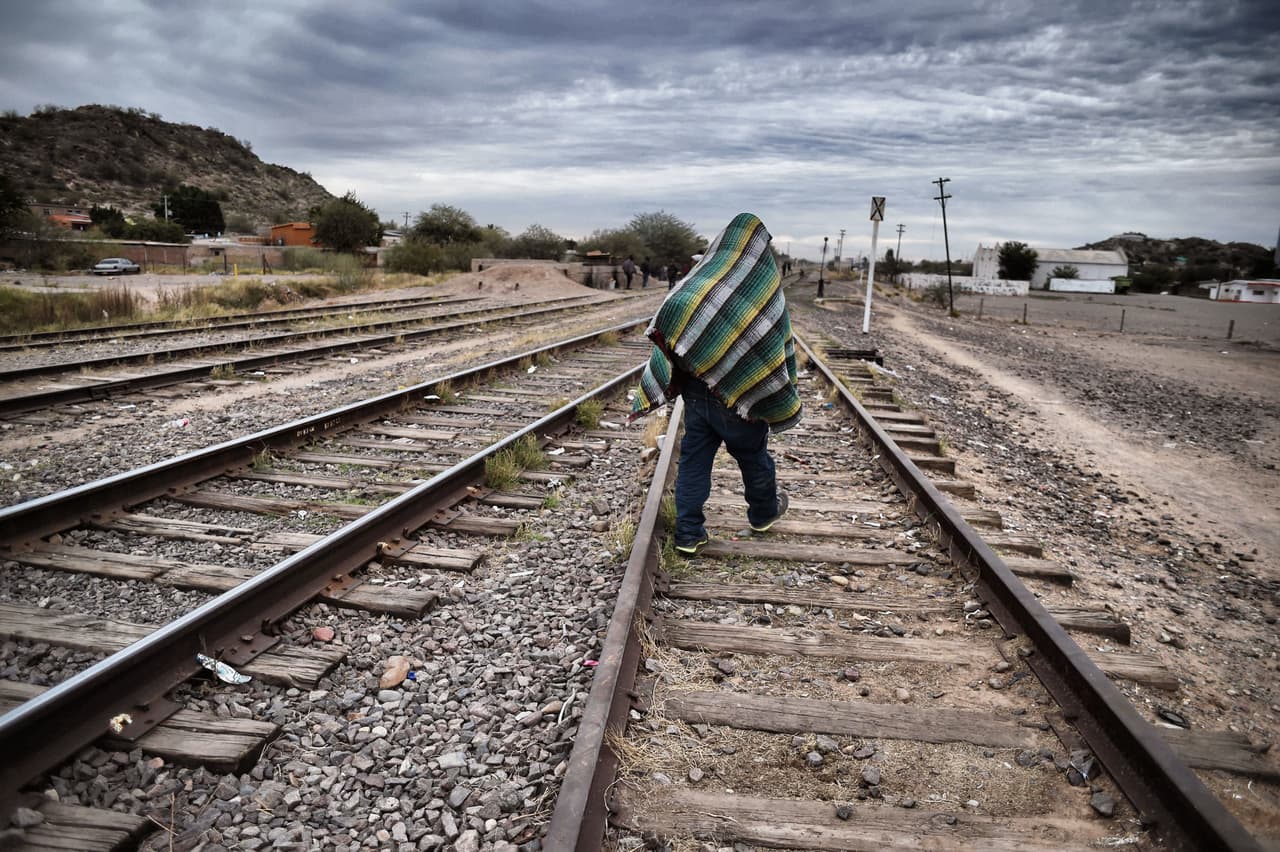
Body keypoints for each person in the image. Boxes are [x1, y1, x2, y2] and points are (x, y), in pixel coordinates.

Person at [631, 212, 800, 555]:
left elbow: (669, 321)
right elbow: (774, 341)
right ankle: (764, 513)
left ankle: (689, 534)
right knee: (754, 457)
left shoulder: (695, 285)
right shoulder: (765, 288)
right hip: (742, 397)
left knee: (694, 459)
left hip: (698, 394)